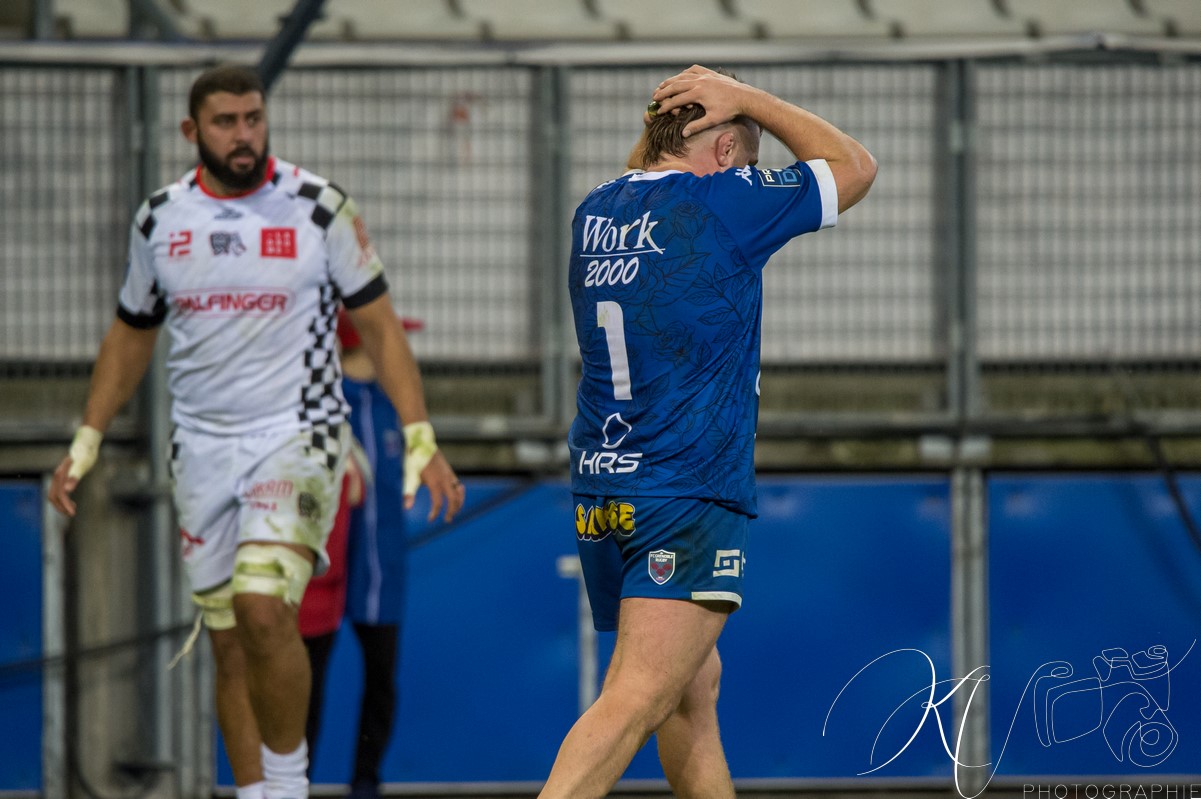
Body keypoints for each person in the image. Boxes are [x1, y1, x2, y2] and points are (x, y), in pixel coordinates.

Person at [47, 63, 465, 799]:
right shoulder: (161, 219)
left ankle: (287, 786)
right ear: (191, 130)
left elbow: (378, 326)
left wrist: (420, 437)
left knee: (263, 606)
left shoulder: (318, 208)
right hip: (202, 449)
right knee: (231, 642)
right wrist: (87, 439)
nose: (243, 135)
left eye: (253, 118)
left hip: (297, 437)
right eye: (225, 122)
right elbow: (131, 333)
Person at [543, 65, 876, 798]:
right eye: (748, 157)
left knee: (691, 697)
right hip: (685, 492)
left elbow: (653, 170)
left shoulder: (596, 209)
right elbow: (854, 166)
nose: (754, 172)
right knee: (636, 698)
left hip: (604, 488)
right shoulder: (722, 202)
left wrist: (682, 114)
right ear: (725, 151)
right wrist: (747, 98)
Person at [299, 310, 422, 799]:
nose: (401, 351)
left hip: (383, 569)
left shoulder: (396, 405)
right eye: (393, 339)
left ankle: (366, 783)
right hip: (325, 574)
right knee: (306, 684)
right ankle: (294, 782)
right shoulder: (323, 406)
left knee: (381, 680)